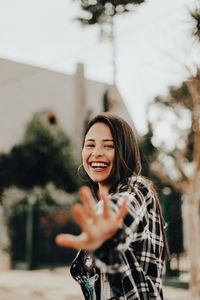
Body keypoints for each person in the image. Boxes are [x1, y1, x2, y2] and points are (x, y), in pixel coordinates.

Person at [56, 113, 169, 300]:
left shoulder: (138, 190)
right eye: (90, 145)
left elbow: (124, 208)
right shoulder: (103, 203)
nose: (97, 153)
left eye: (108, 146)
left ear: (125, 151)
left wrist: (106, 229)